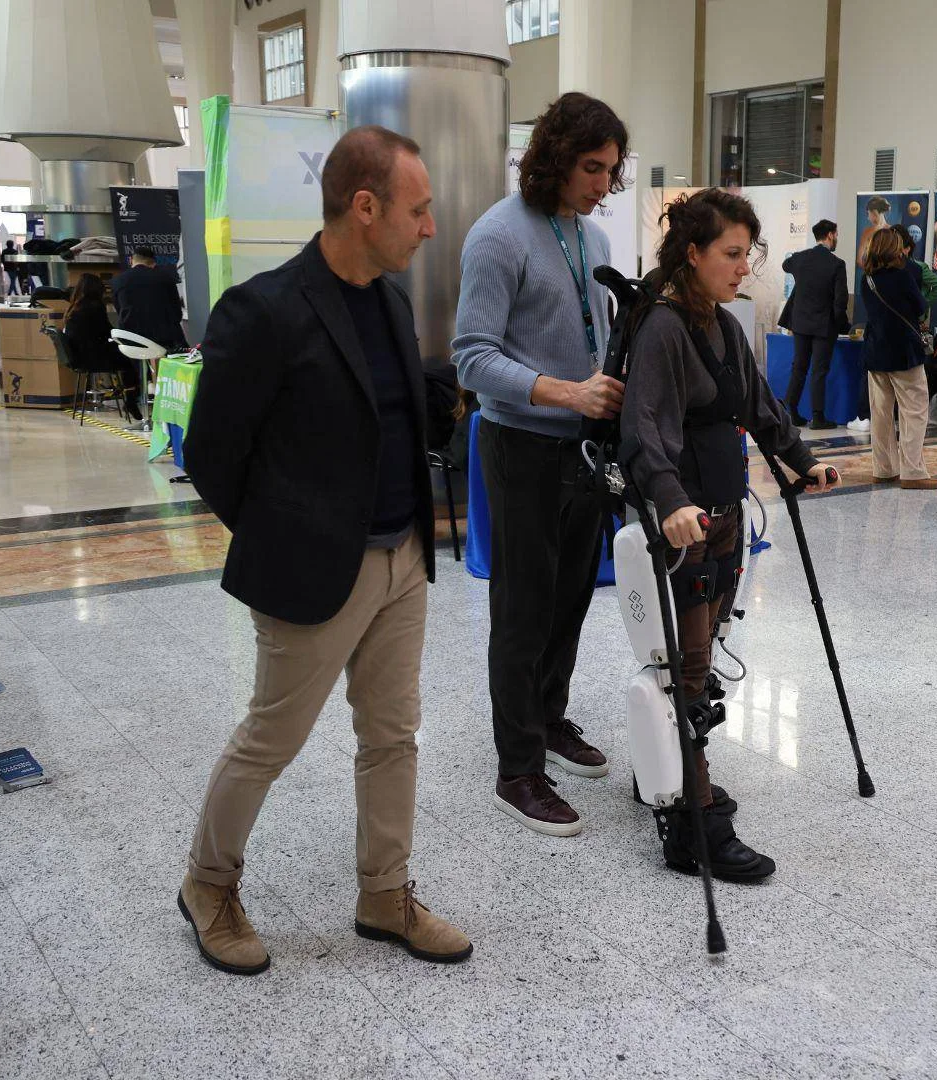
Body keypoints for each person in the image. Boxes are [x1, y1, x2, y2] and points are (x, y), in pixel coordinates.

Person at [179, 125, 472, 973]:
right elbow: (212, 455)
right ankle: (207, 884)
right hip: (314, 571)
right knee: (272, 738)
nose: (429, 228)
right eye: (417, 211)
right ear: (364, 206)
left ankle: (385, 893)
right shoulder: (264, 310)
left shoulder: (390, 301)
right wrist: (287, 538)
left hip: (402, 558)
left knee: (393, 736)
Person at [620, 188, 836, 879]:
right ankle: (694, 826)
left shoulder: (723, 325)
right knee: (685, 672)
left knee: (704, 655)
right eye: (732, 254)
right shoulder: (662, 328)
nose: (745, 268)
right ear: (693, 253)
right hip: (684, 523)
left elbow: (760, 406)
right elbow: (643, 427)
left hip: (725, 517)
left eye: (749, 254)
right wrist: (669, 500)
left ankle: (666, 770)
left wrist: (803, 461)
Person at [453, 91, 628, 838]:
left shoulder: (594, 238)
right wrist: (567, 392)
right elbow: (471, 357)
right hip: (520, 445)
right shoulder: (498, 235)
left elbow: (599, 337)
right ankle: (517, 768)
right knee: (523, 610)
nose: (601, 184)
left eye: (610, 171)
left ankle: (550, 718)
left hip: (583, 449)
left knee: (570, 598)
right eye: (591, 167)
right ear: (554, 158)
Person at [860, 228, 937, 490]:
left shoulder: (866, 278)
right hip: (904, 352)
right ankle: (913, 472)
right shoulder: (902, 276)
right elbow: (920, 306)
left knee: (880, 413)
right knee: (914, 411)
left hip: (875, 352)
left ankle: (883, 470)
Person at [778, 219, 848, 429]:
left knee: (799, 367)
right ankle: (818, 417)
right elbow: (841, 301)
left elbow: (785, 265)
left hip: (800, 323)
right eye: (837, 234)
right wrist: (843, 325)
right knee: (819, 370)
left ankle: (790, 409)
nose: (837, 238)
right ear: (830, 235)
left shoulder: (800, 258)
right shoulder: (837, 264)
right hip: (824, 326)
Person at [62, 273, 143, 422]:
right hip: (93, 357)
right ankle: (131, 398)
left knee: (123, 356)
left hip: (79, 356)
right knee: (129, 359)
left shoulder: (74, 307)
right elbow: (107, 331)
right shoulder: (95, 307)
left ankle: (129, 396)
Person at [110, 246, 188, 350]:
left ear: (130, 260)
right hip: (165, 339)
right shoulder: (165, 278)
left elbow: (119, 309)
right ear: (154, 263)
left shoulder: (117, 281)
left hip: (132, 340)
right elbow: (176, 311)